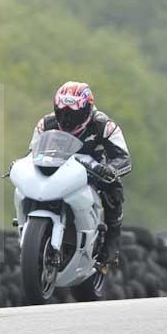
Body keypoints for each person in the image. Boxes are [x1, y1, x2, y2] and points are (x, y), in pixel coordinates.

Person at [32, 81, 132, 265]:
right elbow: (32, 153)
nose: (68, 120)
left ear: (87, 110)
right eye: (63, 113)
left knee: (114, 187)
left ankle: (112, 241)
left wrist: (110, 169)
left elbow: (123, 158)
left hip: (92, 170)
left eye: (74, 114)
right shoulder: (46, 123)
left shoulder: (104, 125)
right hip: (56, 168)